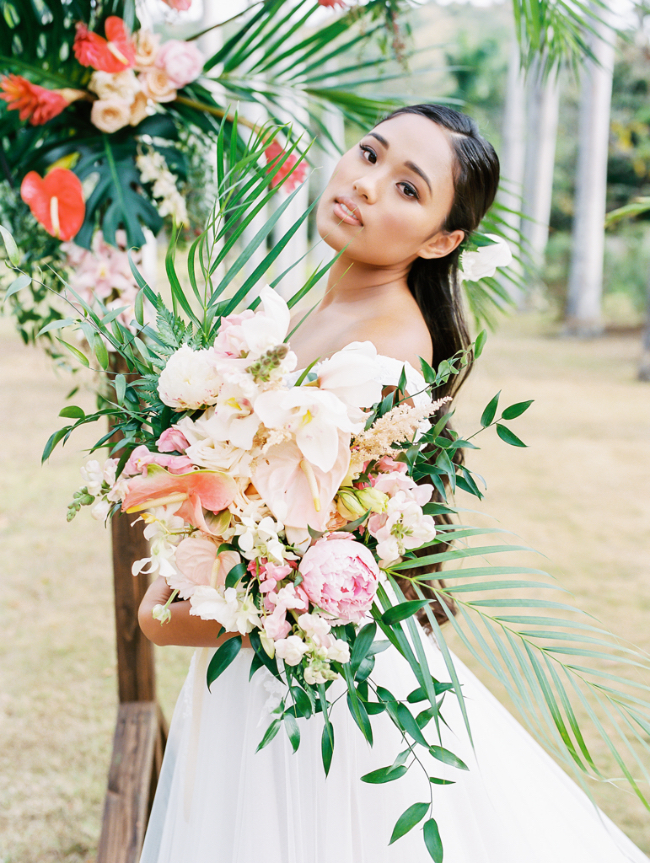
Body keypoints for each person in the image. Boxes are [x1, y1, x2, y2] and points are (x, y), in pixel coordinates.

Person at [138, 106, 648, 862]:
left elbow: (300, 579)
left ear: (443, 239)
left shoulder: (390, 344)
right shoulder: (322, 303)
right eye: (370, 154)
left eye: (407, 188)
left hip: (317, 701)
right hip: (261, 685)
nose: (366, 184)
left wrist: (168, 613)